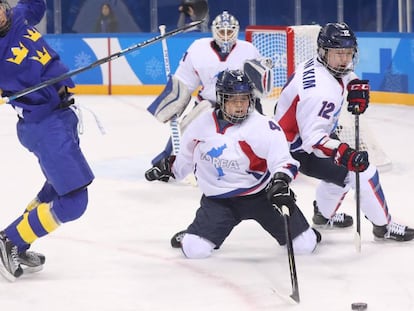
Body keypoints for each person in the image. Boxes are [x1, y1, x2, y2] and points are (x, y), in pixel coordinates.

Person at [148, 69, 321, 258]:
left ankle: (305, 232)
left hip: (262, 195)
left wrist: (280, 183)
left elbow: (284, 162)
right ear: (221, 100)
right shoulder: (200, 124)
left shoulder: (262, 126)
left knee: (304, 245)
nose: (240, 106)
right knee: (194, 250)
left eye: (244, 99)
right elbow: (186, 158)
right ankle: (194, 233)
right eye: (233, 100)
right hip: (219, 201)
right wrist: (169, 170)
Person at [274, 22, 414, 241]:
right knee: (362, 170)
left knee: (339, 176)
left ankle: (323, 215)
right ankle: (383, 227)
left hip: (300, 136)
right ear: (323, 52)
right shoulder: (320, 92)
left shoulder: (319, 65)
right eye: (339, 53)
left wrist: (355, 84)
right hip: (296, 149)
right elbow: (314, 140)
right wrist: (343, 152)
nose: (345, 59)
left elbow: (345, 74)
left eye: (348, 53)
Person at [0, 0, 94, 281]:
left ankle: (16, 239)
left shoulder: (19, 16)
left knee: (56, 187)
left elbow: (36, 4)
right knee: (75, 201)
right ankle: (12, 240)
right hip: (43, 125)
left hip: (62, 116)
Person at [146, 11, 273, 181]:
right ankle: (166, 165)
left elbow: (258, 85)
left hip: (240, 104)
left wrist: (257, 108)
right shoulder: (198, 49)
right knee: (186, 131)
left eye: (229, 31)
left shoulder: (248, 50)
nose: (226, 36)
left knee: (258, 133)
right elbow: (184, 81)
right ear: (214, 31)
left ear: (236, 31)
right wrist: (173, 102)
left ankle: (267, 163)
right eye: (222, 31)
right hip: (209, 104)